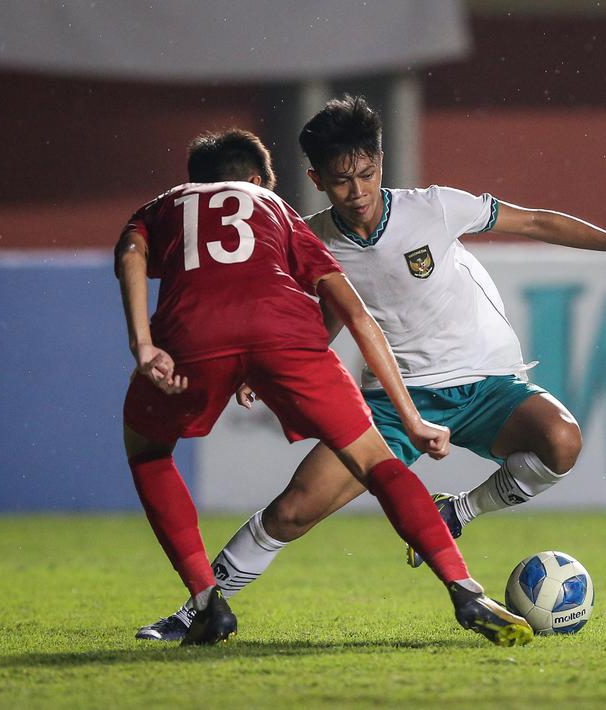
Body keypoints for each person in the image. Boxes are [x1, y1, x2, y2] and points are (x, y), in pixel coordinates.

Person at [136, 95, 606, 641]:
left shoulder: (435, 207)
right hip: (399, 402)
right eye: (341, 181)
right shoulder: (308, 234)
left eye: (367, 175)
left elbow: (535, 221)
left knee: (561, 442)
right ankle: (195, 612)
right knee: (294, 511)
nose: (358, 192)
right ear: (317, 179)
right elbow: (329, 315)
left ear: (380, 163)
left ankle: (459, 512)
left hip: (487, 381)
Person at [118, 128, 533, 647]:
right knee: (377, 462)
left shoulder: (168, 205)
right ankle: (465, 588)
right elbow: (357, 315)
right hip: (289, 336)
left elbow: (132, 252)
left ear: (198, 182)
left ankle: (205, 604)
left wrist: (143, 345)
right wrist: (410, 419)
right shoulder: (279, 212)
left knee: (150, 455)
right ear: (256, 182)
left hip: (192, 337)